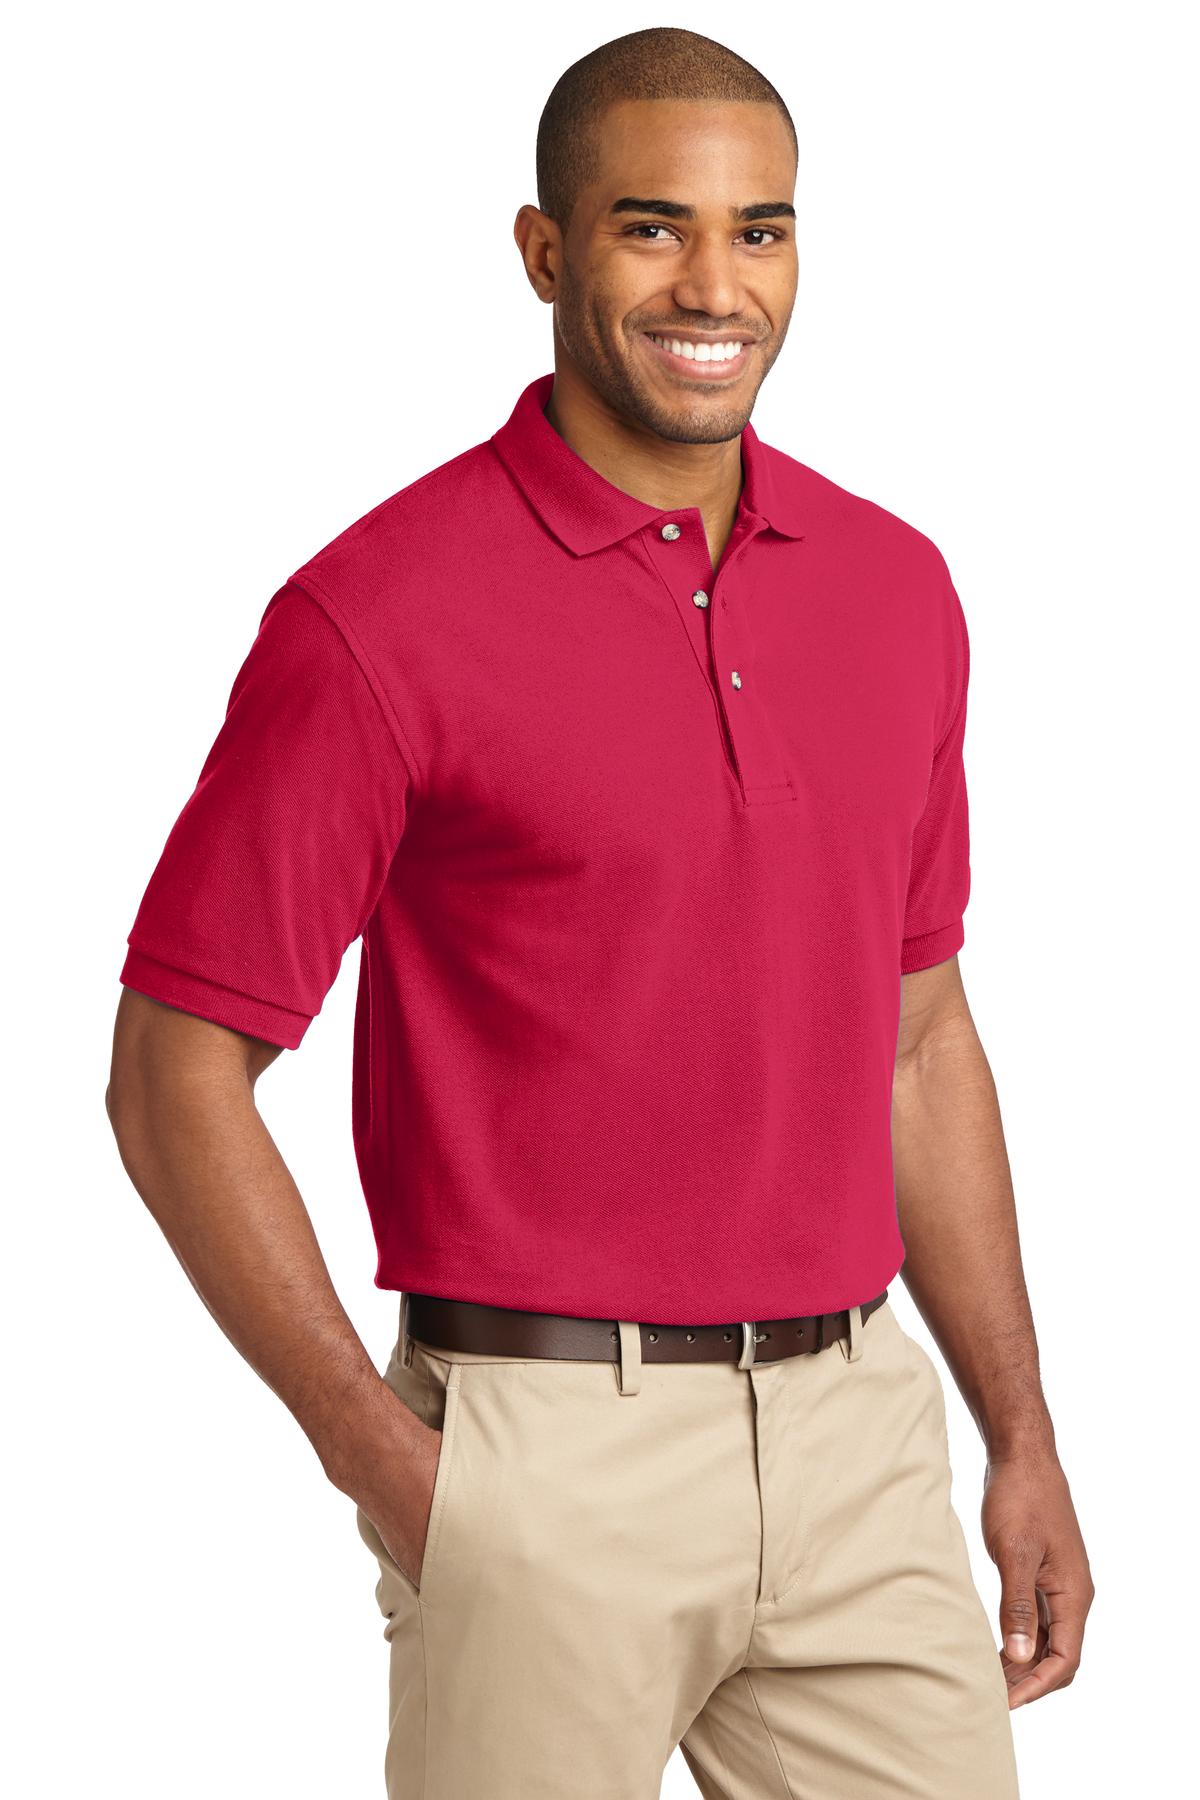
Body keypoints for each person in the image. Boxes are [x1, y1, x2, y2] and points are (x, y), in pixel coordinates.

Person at [106, 25, 1093, 1799]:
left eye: (761, 230)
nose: (717, 286)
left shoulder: (897, 590)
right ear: (545, 251)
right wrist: (384, 1458)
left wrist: (1018, 1434)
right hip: (543, 1446)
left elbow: (920, 1043)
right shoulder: (376, 618)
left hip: (861, 1443)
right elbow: (176, 1070)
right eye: (654, 228)